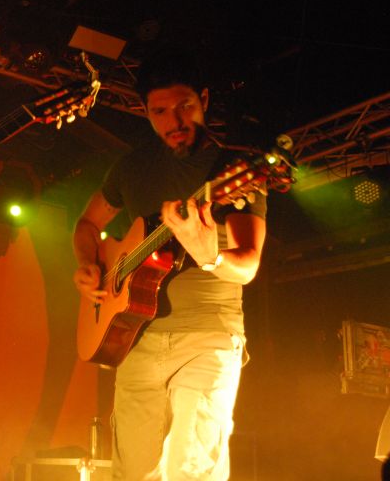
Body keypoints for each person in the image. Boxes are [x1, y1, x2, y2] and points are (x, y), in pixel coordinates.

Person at [72, 48, 267, 480]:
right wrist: (89, 264)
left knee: (189, 467)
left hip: (208, 337)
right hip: (135, 340)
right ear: (145, 111)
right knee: (133, 471)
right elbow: (87, 224)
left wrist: (209, 253)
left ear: (204, 100)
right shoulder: (131, 168)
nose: (174, 122)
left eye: (185, 107)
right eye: (160, 111)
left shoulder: (230, 168)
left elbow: (248, 265)